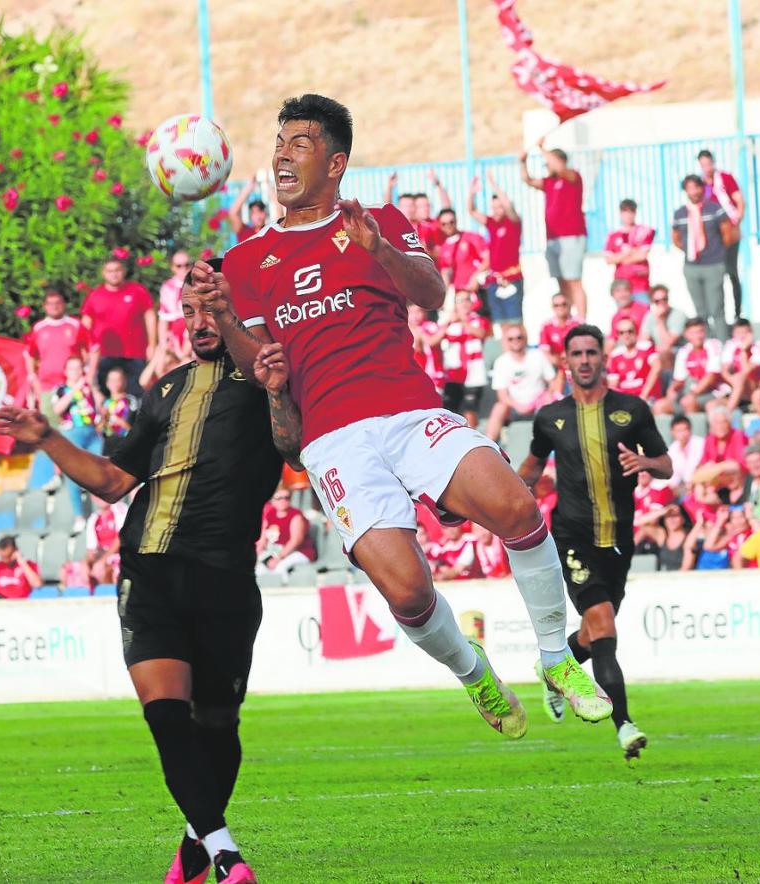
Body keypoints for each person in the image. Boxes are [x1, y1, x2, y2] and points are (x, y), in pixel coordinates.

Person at [196, 94, 612, 740]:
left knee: (517, 507)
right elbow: (257, 367)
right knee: (409, 592)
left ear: (335, 163)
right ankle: (474, 671)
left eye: (300, 144)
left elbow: (434, 294)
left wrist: (381, 251)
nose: (282, 155)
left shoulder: (379, 221)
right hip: (333, 441)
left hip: (410, 410)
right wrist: (225, 319)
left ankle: (556, 657)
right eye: (279, 143)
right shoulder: (248, 260)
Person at [0, 262, 287, 884]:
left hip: (225, 575)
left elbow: (294, 448)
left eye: (212, 309)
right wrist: (47, 438)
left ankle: (195, 848)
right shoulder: (165, 390)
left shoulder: (268, 378)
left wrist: (277, 388)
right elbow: (110, 481)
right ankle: (227, 855)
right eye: (190, 312)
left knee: (218, 723)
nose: (200, 323)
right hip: (148, 570)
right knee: (166, 715)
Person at [519, 324, 673, 760]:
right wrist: (503, 495)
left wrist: (644, 462)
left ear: (603, 358)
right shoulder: (550, 416)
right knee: (604, 625)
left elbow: (666, 465)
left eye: (591, 352)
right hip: (572, 537)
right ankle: (624, 725)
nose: (585, 360)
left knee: (591, 635)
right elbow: (532, 467)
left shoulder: (632, 409)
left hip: (618, 540)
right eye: (577, 353)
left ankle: (553, 672)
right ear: (565, 361)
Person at [522, 139, 588, 317]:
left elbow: (559, 167)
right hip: (553, 239)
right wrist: (522, 162)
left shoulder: (573, 176)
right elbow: (528, 180)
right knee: (561, 281)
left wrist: (542, 148)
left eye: (549, 162)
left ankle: (582, 320)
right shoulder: (549, 182)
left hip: (571, 236)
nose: (547, 167)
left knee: (573, 280)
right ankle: (568, 318)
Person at [81, 257, 156, 396]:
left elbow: (150, 316)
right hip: (104, 354)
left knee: (135, 396)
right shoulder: (95, 295)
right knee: (105, 395)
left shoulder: (137, 291)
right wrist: (86, 350)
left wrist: (152, 345)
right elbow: (86, 323)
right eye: (110, 271)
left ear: (124, 271)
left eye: (117, 270)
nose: (114, 274)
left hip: (134, 352)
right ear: (103, 273)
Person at [672, 174, 735, 339]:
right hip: (692, 266)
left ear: (702, 188)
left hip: (713, 264)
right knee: (700, 311)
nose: (693, 191)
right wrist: (691, 250)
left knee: (717, 309)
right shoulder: (680, 213)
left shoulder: (714, 209)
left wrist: (716, 252)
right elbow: (676, 238)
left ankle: (722, 344)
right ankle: (706, 344)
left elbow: (728, 234)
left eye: (696, 187)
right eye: (689, 188)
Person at [53, 355, 105, 529]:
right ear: (66, 371)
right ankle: (79, 516)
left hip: (91, 433)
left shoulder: (88, 386)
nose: (76, 371)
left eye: (79, 368)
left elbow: (101, 406)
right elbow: (57, 409)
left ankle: (102, 511)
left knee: (99, 470)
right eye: (72, 368)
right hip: (72, 434)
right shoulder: (61, 389)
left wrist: (93, 388)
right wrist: (75, 389)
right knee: (73, 474)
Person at [467, 171, 524, 327]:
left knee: (516, 323)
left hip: (511, 279)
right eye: (493, 208)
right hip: (493, 281)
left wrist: (494, 186)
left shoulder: (513, 223)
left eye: (499, 207)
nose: (496, 211)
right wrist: (472, 193)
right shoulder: (492, 223)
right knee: (501, 324)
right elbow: (472, 211)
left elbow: (509, 206)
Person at [485, 324, 559, 441]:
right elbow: (502, 396)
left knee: (551, 400)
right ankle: (490, 443)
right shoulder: (501, 362)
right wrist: (517, 405)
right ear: (506, 341)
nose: (515, 341)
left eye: (519, 337)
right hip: (514, 406)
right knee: (499, 407)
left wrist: (547, 395)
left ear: (525, 338)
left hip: (539, 402)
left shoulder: (538, 355)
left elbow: (553, 382)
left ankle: (557, 441)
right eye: (511, 339)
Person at [26, 289, 94, 408]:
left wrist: (88, 374)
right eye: (50, 304)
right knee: (48, 418)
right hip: (46, 386)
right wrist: (33, 378)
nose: (54, 307)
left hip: (72, 385)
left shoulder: (75, 325)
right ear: (44, 306)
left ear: (63, 304)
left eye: (58, 303)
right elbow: (31, 356)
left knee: (75, 418)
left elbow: (91, 350)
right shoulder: (38, 328)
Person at [698, 149, 745, 318]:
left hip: (729, 232)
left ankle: (737, 312)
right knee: (715, 275)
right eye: (703, 165)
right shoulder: (700, 184)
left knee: (731, 271)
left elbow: (739, 200)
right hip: (712, 236)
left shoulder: (725, 178)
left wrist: (737, 220)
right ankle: (718, 314)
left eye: (708, 164)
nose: (707, 168)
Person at [440, 290, 491, 428]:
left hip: (474, 372)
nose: (463, 303)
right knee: (449, 410)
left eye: (466, 299)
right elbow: (434, 341)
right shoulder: (448, 323)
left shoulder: (478, 320)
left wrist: (463, 320)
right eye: (459, 300)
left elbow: (481, 333)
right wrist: (448, 322)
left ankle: (473, 436)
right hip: (453, 373)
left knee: (470, 408)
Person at [664, 317, 723, 414]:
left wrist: (692, 394)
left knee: (689, 402)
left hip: (714, 392)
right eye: (693, 333)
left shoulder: (713, 345)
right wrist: (672, 390)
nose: (697, 336)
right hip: (691, 393)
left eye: (700, 331)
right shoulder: (684, 351)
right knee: (661, 406)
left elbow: (711, 377)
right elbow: (679, 380)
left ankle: (693, 423)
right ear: (686, 335)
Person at [151, 251, 194, 380]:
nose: (183, 269)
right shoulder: (168, 287)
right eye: (179, 266)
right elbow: (164, 318)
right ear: (173, 268)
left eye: (187, 265)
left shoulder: (198, 284)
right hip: (175, 335)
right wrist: (163, 344)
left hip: (193, 331)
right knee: (162, 370)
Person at [256, 488, 316, 578]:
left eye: (287, 497)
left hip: (299, 552)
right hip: (275, 552)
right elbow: (262, 540)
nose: (283, 500)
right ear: (272, 500)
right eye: (279, 498)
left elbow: (295, 541)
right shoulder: (269, 514)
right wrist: (256, 557)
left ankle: (284, 586)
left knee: (279, 569)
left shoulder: (296, 515)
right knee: (258, 570)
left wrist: (278, 558)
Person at [603, 199, 655, 302]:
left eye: (631, 211)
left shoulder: (644, 231)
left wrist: (619, 258)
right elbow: (609, 260)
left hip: (640, 285)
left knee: (642, 311)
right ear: (621, 213)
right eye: (625, 211)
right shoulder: (613, 235)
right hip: (621, 286)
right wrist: (630, 252)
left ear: (635, 213)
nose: (629, 215)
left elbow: (642, 256)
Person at [435, 208, 489, 297]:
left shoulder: (471, 237)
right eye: (444, 224)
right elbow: (446, 272)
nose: (448, 226)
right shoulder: (443, 248)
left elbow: (488, 259)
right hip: (459, 295)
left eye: (451, 222)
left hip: (477, 291)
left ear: (456, 221)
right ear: (440, 225)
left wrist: (476, 277)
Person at [720, 318, 760, 410]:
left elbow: (747, 370)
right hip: (738, 387)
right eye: (739, 333)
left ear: (751, 332)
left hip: (757, 386)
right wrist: (732, 380)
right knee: (712, 404)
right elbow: (724, 370)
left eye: (745, 332)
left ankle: (728, 412)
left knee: (741, 378)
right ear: (734, 333)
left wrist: (744, 350)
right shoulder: (730, 346)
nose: (742, 336)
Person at [607, 318, 661, 400]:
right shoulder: (615, 355)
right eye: (621, 332)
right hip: (625, 399)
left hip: (646, 397)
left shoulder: (646, 347)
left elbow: (657, 367)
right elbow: (612, 384)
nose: (626, 335)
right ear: (618, 335)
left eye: (630, 331)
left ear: (636, 331)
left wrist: (643, 396)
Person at [640, 284, 687, 365]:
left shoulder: (678, 315)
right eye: (657, 301)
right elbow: (642, 341)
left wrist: (660, 320)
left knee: (665, 353)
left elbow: (668, 344)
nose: (662, 303)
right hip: (658, 351)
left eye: (664, 299)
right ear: (652, 302)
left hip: (678, 351)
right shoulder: (650, 316)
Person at [85, 497, 127, 586]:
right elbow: (91, 550)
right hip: (102, 558)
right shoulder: (93, 518)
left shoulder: (120, 509)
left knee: (112, 571)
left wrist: (102, 561)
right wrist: (85, 564)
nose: (99, 497)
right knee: (69, 571)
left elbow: (122, 538)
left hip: (123, 556)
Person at [100, 364, 137, 456]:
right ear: (107, 383)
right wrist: (103, 419)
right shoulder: (105, 403)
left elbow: (135, 427)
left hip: (125, 443)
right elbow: (100, 428)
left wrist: (119, 422)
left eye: (117, 380)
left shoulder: (130, 401)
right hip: (108, 444)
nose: (114, 383)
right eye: (111, 380)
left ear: (124, 382)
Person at [666, 415, 705, 492]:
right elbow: (673, 478)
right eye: (678, 431)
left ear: (690, 430)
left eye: (684, 430)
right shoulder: (671, 450)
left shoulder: (701, 444)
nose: (682, 434)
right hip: (684, 488)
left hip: (702, 484)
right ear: (672, 432)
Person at [648, 504, 693, 572]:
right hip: (664, 576)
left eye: (675, 515)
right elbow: (637, 522)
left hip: (682, 577)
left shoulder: (690, 537)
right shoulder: (662, 536)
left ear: (683, 518)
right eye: (668, 516)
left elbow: (686, 568)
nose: (671, 519)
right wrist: (662, 511)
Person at [539, 292, 580, 362]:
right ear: (552, 307)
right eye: (556, 305)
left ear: (570, 305)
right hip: (553, 364)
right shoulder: (546, 326)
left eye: (564, 304)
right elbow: (544, 351)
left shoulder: (578, 324)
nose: (560, 307)